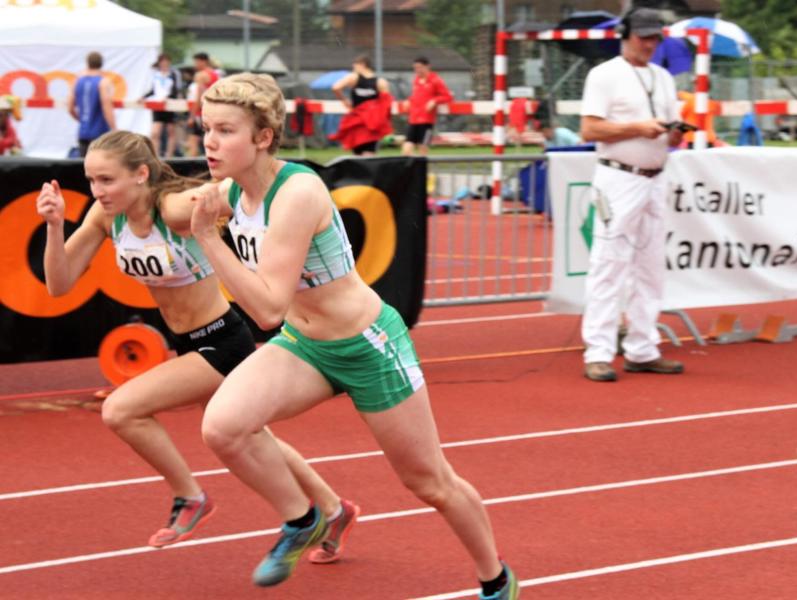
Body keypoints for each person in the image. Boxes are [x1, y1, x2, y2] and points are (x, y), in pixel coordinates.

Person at [187, 73, 519, 598]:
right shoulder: (230, 191)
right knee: (224, 428)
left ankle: (495, 578)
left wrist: (206, 236)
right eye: (205, 128)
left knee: (428, 481)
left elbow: (269, 308)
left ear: (263, 137)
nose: (208, 141)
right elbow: (177, 207)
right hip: (306, 345)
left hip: (367, 346)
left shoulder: (296, 192)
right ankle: (305, 519)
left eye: (225, 130)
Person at [34, 130, 360, 561]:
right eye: (92, 180)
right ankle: (334, 510)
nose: (98, 190)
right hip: (187, 344)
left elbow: (228, 194)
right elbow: (58, 284)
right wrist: (54, 226)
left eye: (107, 180)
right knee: (253, 436)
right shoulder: (103, 216)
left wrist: (270, 177)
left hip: (223, 340)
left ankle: (190, 497)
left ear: (141, 175)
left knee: (122, 409)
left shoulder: (170, 209)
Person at [577, 7, 685, 382]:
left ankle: (642, 347)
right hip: (619, 178)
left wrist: (674, 133)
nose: (651, 43)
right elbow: (589, 130)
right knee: (609, 264)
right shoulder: (604, 75)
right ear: (626, 35)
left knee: (651, 267)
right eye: (644, 36)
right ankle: (599, 350)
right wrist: (639, 128)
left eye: (656, 37)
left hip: (655, 177)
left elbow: (669, 135)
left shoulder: (663, 78)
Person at [328, 54, 393, 156]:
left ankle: (359, 170)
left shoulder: (353, 77)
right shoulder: (381, 82)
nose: (353, 68)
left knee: (357, 153)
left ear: (362, 65)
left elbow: (335, 87)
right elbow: (386, 104)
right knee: (369, 152)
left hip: (358, 121)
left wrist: (344, 100)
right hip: (371, 123)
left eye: (355, 65)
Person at [401, 56, 453, 156]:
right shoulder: (416, 80)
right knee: (406, 148)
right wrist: (408, 101)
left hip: (426, 120)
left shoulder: (435, 80)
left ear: (427, 67)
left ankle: (422, 170)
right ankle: (410, 170)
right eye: (415, 68)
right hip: (413, 119)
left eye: (420, 67)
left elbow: (447, 96)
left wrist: (434, 101)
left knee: (423, 148)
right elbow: (416, 95)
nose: (417, 70)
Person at [69, 51, 116, 158]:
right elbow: (106, 107)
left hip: (83, 131)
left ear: (87, 63)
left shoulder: (78, 81)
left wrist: (81, 119)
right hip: (100, 132)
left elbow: (70, 107)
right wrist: (114, 129)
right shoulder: (103, 82)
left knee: (83, 167)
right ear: (101, 63)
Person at [141, 53, 183, 158]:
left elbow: (177, 89)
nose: (164, 64)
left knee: (170, 130)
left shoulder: (174, 73)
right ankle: (155, 154)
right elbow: (153, 90)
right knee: (155, 131)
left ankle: (169, 155)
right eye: (162, 62)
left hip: (169, 104)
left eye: (166, 61)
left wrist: (169, 97)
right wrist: (144, 97)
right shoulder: (156, 74)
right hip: (158, 104)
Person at [186, 52, 221, 158]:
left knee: (193, 141)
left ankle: (192, 167)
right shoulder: (215, 75)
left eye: (196, 62)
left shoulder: (201, 75)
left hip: (201, 112)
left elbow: (199, 98)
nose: (195, 65)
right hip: (213, 111)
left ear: (203, 61)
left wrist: (192, 116)